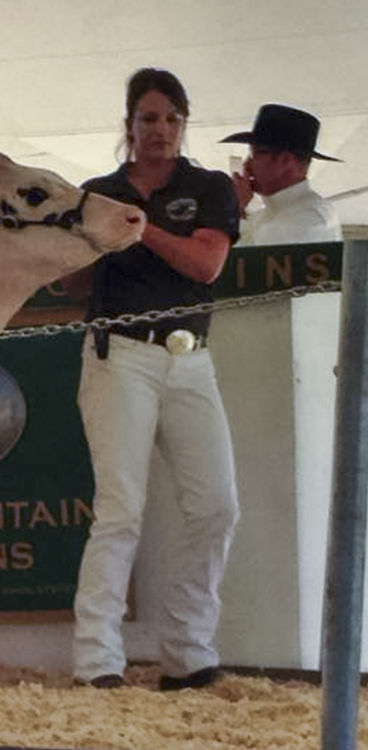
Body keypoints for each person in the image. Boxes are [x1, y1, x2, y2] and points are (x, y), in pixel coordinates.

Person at [67, 68, 241, 690]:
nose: (160, 130)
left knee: (217, 506)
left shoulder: (210, 186)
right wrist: (91, 237)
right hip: (121, 355)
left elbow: (206, 263)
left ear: (183, 124)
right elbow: (69, 278)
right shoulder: (99, 192)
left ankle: (187, 649)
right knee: (120, 509)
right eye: (148, 119)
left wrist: (140, 230)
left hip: (191, 358)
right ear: (129, 126)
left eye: (170, 119)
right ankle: (97, 660)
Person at [221, 104, 343, 245]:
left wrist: (237, 208)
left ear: (286, 161)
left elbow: (248, 261)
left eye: (255, 154)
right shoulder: (264, 216)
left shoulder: (310, 218)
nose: (247, 165)